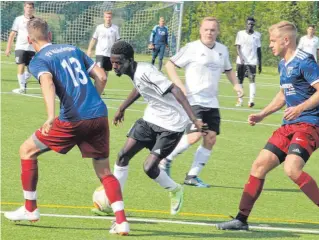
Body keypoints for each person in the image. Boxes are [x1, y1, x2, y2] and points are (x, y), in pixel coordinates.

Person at [4, 18, 129, 236]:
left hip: (72, 120)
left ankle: (30, 208)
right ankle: (121, 221)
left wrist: (51, 116)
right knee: (104, 171)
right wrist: (92, 101)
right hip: (98, 115)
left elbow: (48, 82)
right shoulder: (73, 49)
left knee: (27, 150)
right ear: (50, 35)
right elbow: (101, 76)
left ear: (28, 39)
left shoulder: (38, 60)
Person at [216, 21, 319, 237]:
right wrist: (263, 114)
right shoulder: (283, 64)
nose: (269, 45)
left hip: (310, 123)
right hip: (290, 125)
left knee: (291, 169)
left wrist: (300, 108)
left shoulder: (304, 62)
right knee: (258, 166)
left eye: (272, 41)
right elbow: (284, 94)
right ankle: (241, 219)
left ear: (286, 40)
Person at [109, 41, 208, 215]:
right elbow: (139, 88)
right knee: (122, 155)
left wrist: (194, 119)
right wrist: (122, 108)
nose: (115, 66)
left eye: (118, 62)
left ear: (130, 60)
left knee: (149, 168)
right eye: (113, 62)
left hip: (172, 125)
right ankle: (115, 203)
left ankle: (175, 189)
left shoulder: (145, 72)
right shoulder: (135, 72)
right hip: (151, 118)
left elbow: (176, 90)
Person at [159, 17, 243, 188]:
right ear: (200, 30)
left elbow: (228, 70)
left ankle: (192, 175)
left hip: (212, 102)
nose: (209, 33)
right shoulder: (192, 48)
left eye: (213, 30)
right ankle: (164, 159)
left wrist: (236, 85)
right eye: (206, 29)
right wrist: (179, 85)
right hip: (193, 100)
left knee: (210, 138)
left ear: (217, 32)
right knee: (195, 135)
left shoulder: (222, 50)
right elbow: (169, 65)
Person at [5, 1, 36, 94]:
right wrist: (8, 48)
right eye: (27, 7)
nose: (29, 10)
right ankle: (22, 88)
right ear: (24, 8)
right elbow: (12, 35)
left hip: (32, 48)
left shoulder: (36, 21)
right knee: (21, 65)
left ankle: (23, 80)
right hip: (20, 47)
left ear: (33, 9)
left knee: (32, 70)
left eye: (30, 8)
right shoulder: (18, 19)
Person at [235, 17, 262, 108]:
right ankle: (240, 100)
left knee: (252, 80)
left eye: (252, 24)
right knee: (240, 80)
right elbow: (238, 47)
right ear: (246, 24)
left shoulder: (257, 35)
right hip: (241, 62)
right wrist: (241, 58)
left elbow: (259, 50)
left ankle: (251, 101)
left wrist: (260, 63)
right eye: (249, 24)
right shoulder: (240, 34)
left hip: (252, 61)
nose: (250, 25)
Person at [87, 11, 121, 76]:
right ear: (104, 18)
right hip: (100, 53)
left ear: (111, 18)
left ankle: (100, 86)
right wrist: (89, 50)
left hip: (110, 54)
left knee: (105, 76)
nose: (108, 18)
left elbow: (118, 42)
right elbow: (93, 39)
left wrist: (118, 53)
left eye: (109, 17)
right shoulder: (99, 28)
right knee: (100, 74)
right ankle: (96, 86)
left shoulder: (115, 28)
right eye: (106, 17)